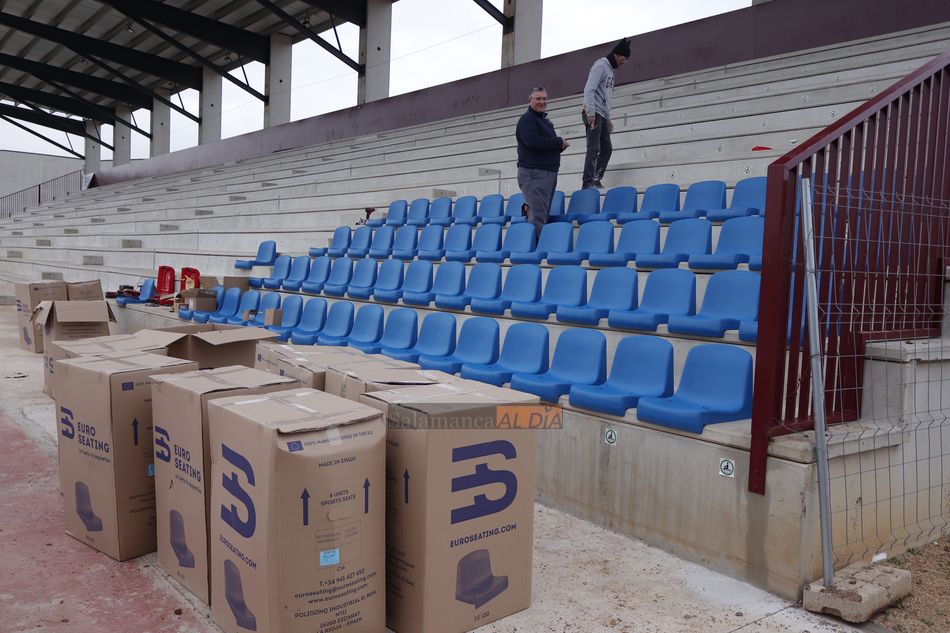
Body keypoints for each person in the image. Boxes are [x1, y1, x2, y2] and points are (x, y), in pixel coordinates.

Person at [516, 86, 569, 238]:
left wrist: (559, 146)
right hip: (534, 173)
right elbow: (532, 142)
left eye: (544, 98)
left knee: (542, 214)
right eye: (538, 98)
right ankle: (535, 253)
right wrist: (558, 142)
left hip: (547, 173)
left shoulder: (544, 121)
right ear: (530, 100)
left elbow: (544, 145)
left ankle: (538, 250)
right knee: (537, 215)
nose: (542, 101)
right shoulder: (527, 120)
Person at [581, 37, 630, 189]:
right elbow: (589, 89)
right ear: (617, 54)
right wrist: (590, 112)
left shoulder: (611, 71)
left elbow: (606, 97)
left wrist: (608, 118)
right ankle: (587, 182)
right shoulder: (601, 65)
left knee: (606, 149)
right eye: (624, 58)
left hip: (602, 114)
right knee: (594, 148)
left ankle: (596, 177)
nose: (625, 62)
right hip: (593, 112)